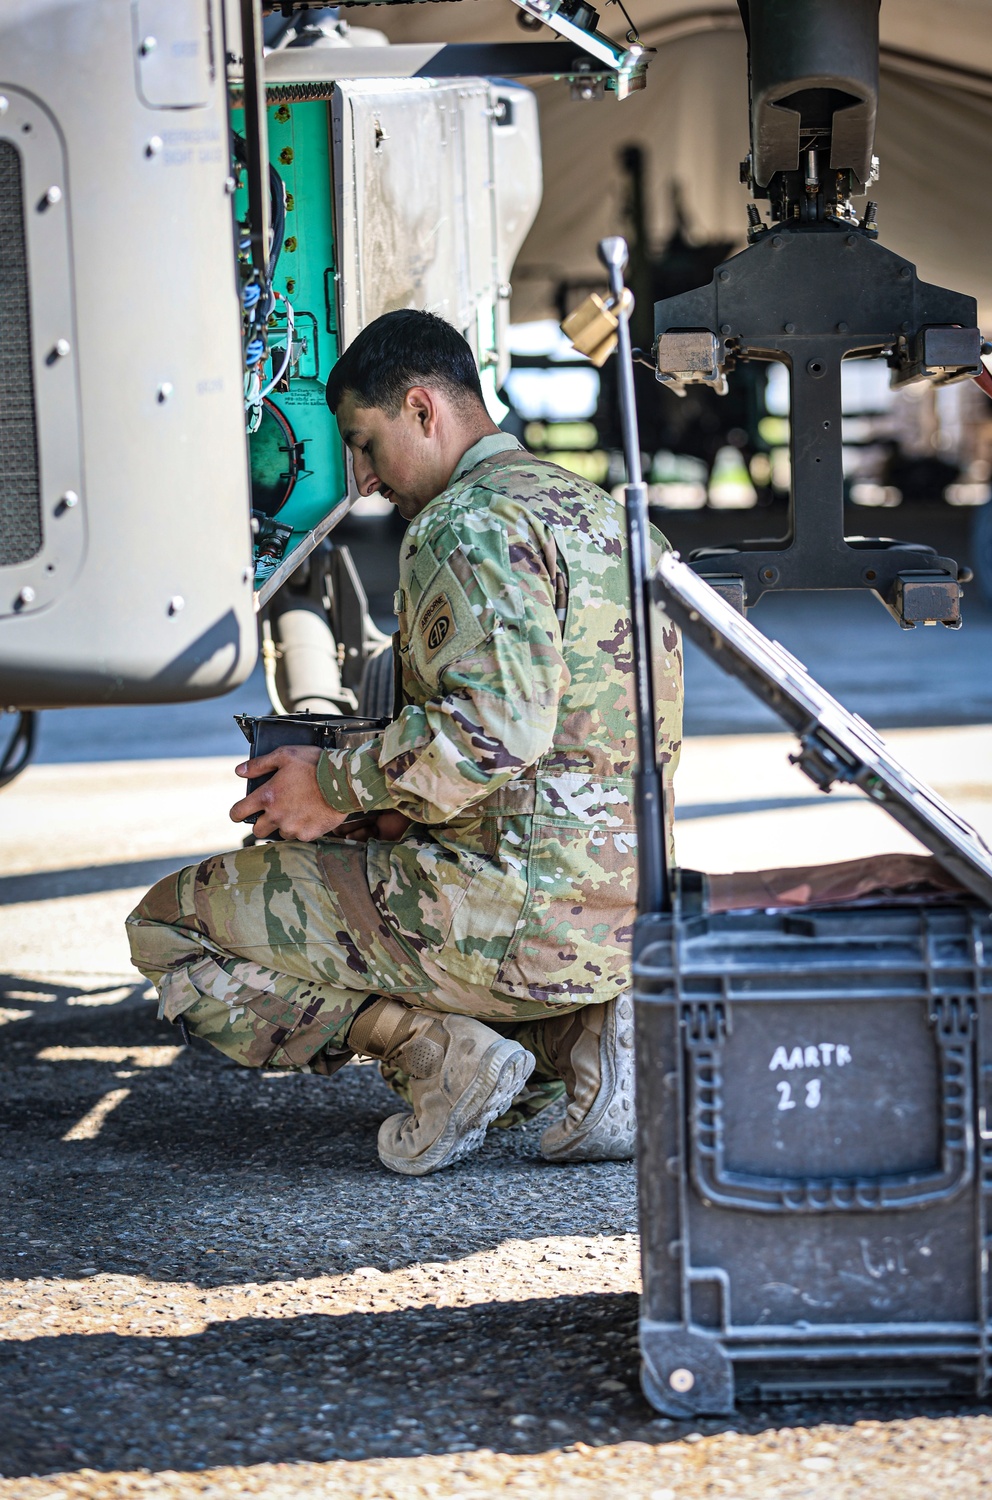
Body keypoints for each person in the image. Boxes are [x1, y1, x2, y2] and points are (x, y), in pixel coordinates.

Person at [126, 310, 683, 1177]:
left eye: (367, 443)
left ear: (423, 409)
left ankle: (437, 1051)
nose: (368, 478)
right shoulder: (603, 515)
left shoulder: (467, 523)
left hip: (505, 920)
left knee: (172, 922)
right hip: (618, 924)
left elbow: (493, 731)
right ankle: (583, 1037)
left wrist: (331, 786)